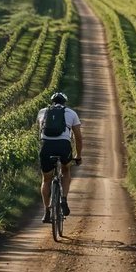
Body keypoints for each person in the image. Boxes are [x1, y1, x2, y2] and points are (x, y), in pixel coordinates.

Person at [37, 91, 82, 224]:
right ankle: (63, 198)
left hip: (46, 146)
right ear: (65, 102)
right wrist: (78, 156)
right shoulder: (71, 113)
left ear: (52, 101)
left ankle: (46, 212)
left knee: (46, 179)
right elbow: (78, 138)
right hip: (63, 146)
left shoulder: (42, 112)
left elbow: (39, 131)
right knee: (66, 170)